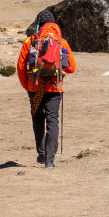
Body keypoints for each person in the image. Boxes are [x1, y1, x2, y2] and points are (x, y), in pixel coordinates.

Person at [17, 9, 76, 169]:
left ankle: (41, 154)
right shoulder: (61, 42)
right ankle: (50, 160)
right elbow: (71, 67)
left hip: (34, 87)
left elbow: (21, 68)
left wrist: (27, 86)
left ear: (39, 25)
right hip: (55, 87)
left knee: (37, 119)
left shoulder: (30, 42)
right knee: (52, 121)